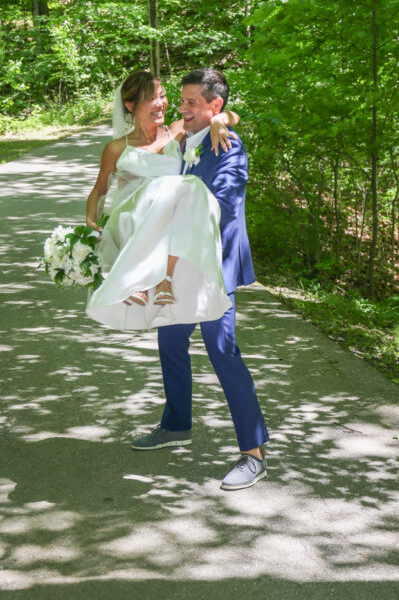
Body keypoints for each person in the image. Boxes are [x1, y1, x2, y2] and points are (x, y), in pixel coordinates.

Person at [132, 68, 269, 491]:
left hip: (212, 264)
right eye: (182, 100)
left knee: (222, 351)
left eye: (193, 102)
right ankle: (176, 424)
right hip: (177, 264)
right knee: (170, 342)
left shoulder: (227, 143)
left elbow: (224, 201)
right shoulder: (186, 135)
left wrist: (171, 203)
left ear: (215, 106)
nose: (183, 108)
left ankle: (254, 453)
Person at [85, 70, 240, 332]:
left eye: (163, 96)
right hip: (131, 218)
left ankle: (163, 280)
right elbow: (99, 190)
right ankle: (145, 280)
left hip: (168, 218)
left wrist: (219, 120)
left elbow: (231, 115)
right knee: (176, 190)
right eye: (151, 99)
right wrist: (89, 219)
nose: (161, 104)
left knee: (183, 191)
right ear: (130, 105)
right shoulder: (116, 148)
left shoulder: (177, 132)